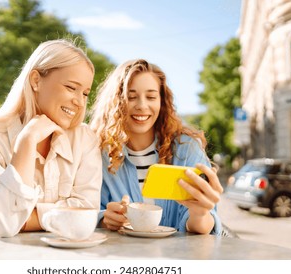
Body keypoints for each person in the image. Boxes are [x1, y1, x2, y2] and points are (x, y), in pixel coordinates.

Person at [0, 39, 102, 238]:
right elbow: (4, 224)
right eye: (71, 87)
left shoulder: (84, 139)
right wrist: (27, 141)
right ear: (36, 80)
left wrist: (24, 221)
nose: (79, 101)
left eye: (85, 93)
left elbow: (86, 211)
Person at [89, 59, 223, 234]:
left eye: (151, 97)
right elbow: (85, 211)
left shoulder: (187, 148)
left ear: (162, 101)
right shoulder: (98, 153)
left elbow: (202, 228)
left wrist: (199, 213)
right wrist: (104, 220)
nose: (142, 106)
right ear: (115, 102)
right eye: (131, 97)